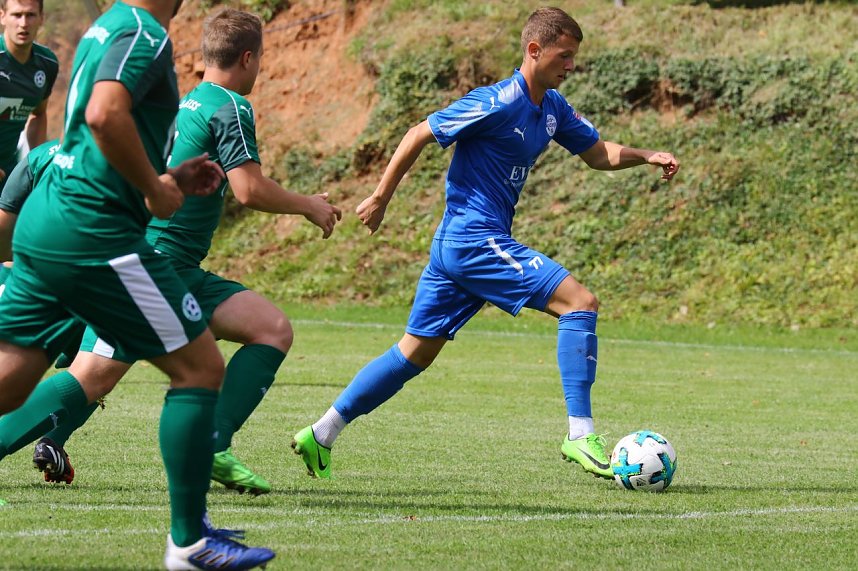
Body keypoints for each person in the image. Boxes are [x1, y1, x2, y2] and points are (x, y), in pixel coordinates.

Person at [292, 6, 679, 481]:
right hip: (475, 240)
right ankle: (580, 435)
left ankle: (321, 432)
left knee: (413, 353)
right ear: (534, 50)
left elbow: (598, 154)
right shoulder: (497, 101)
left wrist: (646, 155)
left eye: (574, 56)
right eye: (564, 55)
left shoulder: (553, 108)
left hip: (459, 247)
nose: (571, 65)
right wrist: (379, 198)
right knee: (580, 303)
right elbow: (420, 133)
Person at [0, 7, 341, 498]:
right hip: (149, 261)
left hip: (177, 265)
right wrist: (308, 204)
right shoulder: (230, 105)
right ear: (248, 58)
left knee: (271, 328)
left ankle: (212, 446)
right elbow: (248, 189)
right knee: (92, 375)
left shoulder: (186, 103)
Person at [0, 0, 57, 190]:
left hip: (9, 174)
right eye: (17, 15)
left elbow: (38, 114)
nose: (23, 23)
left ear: (41, 18)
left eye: (30, 15)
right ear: (2, 16)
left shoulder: (47, 64)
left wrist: (38, 164)